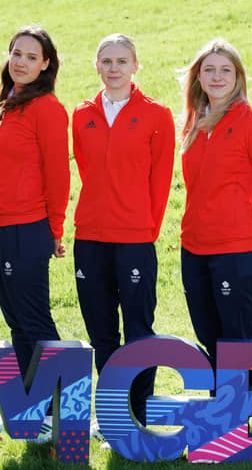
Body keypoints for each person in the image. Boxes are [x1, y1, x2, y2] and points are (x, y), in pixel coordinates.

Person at [72, 34, 175, 432]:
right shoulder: (82, 114)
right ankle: (113, 413)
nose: (114, 68)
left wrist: (146, 228)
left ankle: (140, 410)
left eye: (122, 61)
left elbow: (161, 179)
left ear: (136, 66)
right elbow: (86, 169)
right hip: (91, 238)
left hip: (135, 238)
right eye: (107, 61)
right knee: (101, 329)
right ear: (97, 65)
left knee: (138, 329)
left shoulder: (156, 114)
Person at [179, 39, 252, 390]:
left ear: (238, 76)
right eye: (209, 69)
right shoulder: (193, 123)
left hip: (235, 251)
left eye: (226, 70)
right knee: (209, 338)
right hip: (192, 249)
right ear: (199, 76)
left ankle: (243, 428)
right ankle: (220, 421)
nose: (217, 76)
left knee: (239, 344)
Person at [0, 25, 69, 379]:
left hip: (27, 228)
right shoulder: (13, 104)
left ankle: (65, 412)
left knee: (34, 322)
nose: (21, 62)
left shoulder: (46, 108)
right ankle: (32, 413)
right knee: (17, 323)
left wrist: (55, 228)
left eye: (32, 57)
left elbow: (58, 174)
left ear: (45, 65)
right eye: (17, 53)